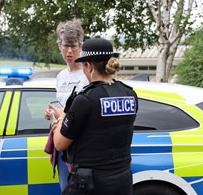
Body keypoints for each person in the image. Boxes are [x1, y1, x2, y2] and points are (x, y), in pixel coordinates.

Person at [48, 38, 138, 195]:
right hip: (122, 180)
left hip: (89, 184)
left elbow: (60, 144)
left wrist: (61, 118)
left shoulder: (85, 100)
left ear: (89, 66)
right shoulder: (130, 94)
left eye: (83, 65)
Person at [46, 19, 92, 188]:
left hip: (80, 144)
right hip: (61, 140)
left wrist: (63, 116)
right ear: (59, 46)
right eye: (66, 46)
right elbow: (63, 106)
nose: (70, 51)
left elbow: (88, 111)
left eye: (74, 46)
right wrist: (52, 114)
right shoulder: (61, 76)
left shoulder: (88, 74)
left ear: (81, 46)